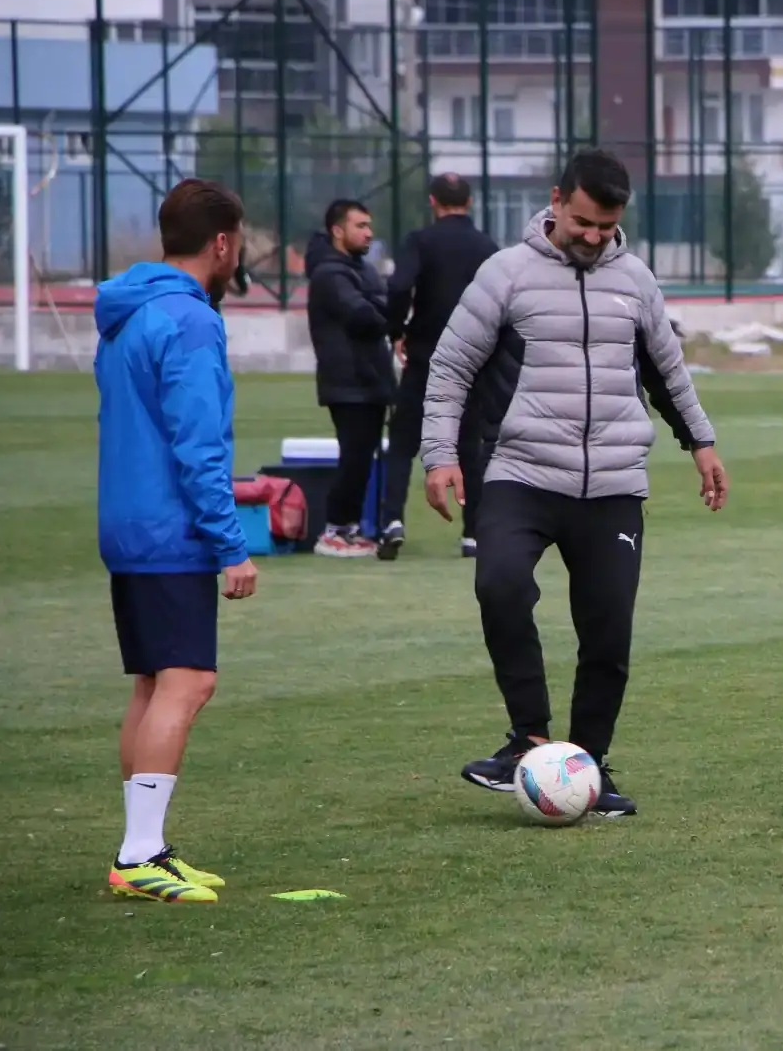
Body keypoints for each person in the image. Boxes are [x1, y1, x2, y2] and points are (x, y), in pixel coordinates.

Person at [421, 147, 727, 816]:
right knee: (498, 584)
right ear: (557, 200)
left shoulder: (637, 281)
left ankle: (589, 765)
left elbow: (667, 370)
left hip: (614, 481)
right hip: (522, 473)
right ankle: (527, 739)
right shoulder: (504, 274)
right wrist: (439, 455)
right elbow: (449, 368)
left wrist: (701, 441)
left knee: (609, 631)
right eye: (584, 220)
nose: (594, 236)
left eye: (607, 225)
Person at [94, 178, 259, 903]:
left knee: (153, 683)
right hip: (171, 530)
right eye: (239, 243)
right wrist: (231, 544)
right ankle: (137, 856)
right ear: (222, 243)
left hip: (128, 524)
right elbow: (199, 448)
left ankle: (147, 845)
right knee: (189, 682)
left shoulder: (128, 312)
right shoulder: (190, 322)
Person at [378, 173, 499, 560]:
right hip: (475, 359)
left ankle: (392, 520)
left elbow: (398, 287)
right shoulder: (487, 248)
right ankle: (473, 534)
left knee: (402, 443)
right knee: (470, 445)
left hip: (427, 355)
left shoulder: (420, 241)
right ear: (470, 202)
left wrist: (397, 330)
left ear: (433, 201)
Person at [306, 198, 393, 558]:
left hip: (370, 380)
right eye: (360, 226)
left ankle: (351, 527)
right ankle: (334, 530)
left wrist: (382, 304)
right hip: (348, 383)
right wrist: (385, 305)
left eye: (369, 226)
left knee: (362, 459)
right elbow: (363, 316)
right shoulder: (330, 274)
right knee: (354, 458)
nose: (368, 233)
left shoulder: (362, 270)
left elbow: (380, 307)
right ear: (337, 231)